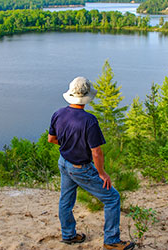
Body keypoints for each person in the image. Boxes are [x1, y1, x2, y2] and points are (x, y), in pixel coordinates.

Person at [48, 77, 135, 250]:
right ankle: (111, 241)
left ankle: (69, 235)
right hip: (80, 168)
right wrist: (102, 173)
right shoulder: (89, 120)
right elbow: (96, 152)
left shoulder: (58, 114)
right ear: (87, 96)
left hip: (64, 162)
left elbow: (51, 139)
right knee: (112, 198)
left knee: (66, 200)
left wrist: (69, 145)